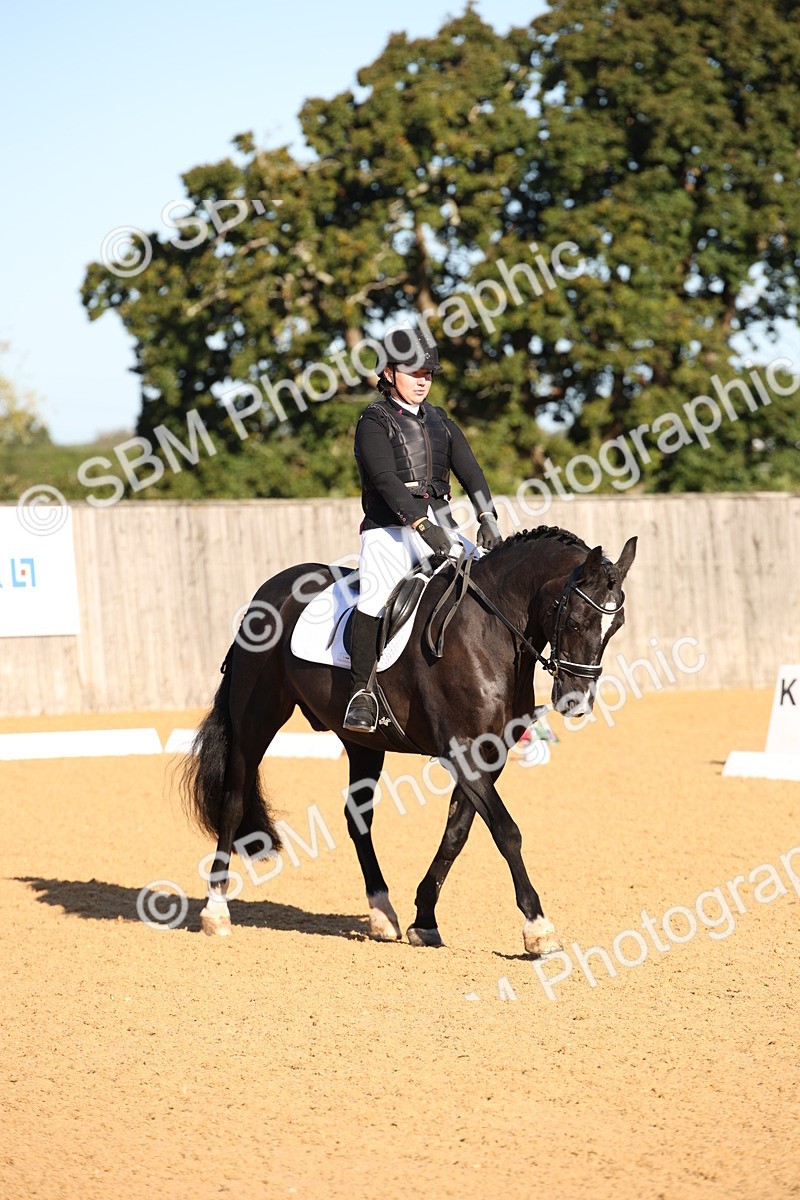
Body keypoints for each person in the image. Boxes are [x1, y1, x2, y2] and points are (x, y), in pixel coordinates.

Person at [343, 326, 503, 733]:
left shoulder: (440, 421)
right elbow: (384, 479)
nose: (422, 381)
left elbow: (470, 469)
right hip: (389, 529)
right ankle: (362, 691)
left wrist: (486, 515)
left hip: (444, 523)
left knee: (492, 586)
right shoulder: (372, 421)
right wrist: (418, 523)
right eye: (414, 373)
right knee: (377, 594)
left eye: (428, 374)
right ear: (389, 372)